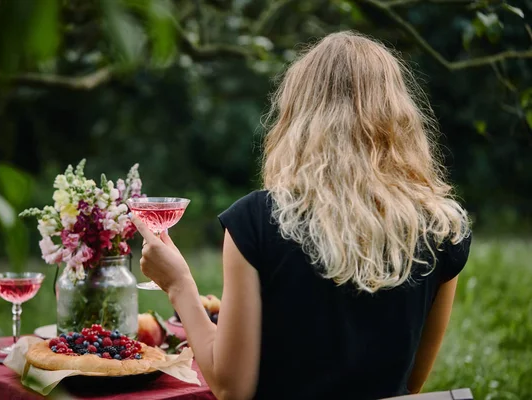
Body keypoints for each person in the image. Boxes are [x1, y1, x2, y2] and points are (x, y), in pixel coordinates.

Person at [130, 31, 472, 400]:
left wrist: (179, 284)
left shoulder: (256, 221)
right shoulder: (443, 230)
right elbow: (412, 385)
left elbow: (232, 389)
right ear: (398, 117)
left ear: (296, 117)